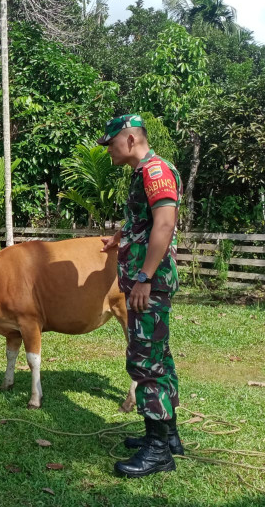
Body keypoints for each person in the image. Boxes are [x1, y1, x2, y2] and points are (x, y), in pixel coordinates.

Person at [97, 114, 185, 478]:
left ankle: (158, 451)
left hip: (149, 283)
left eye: (111, 143)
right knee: (159, 354)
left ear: (130, 139)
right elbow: (144, 220)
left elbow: (165, 224)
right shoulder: (144, 174)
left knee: (145, 360)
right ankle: (170, 434)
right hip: (145, 280)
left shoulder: (154, 171)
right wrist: (120, 238)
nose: (108, 150)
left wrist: (145, 276)